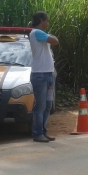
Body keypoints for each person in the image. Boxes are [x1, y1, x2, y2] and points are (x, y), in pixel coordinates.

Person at [29, 11, 59, 143]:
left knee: (47, 105)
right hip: (40, 74)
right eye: (47, 20)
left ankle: (42, 131)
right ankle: (38, 133)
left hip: (47, 74)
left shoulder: (40, 34)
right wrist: (50, 35)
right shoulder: (37, 33)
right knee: (40, 106)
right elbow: (55, 41)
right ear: (41, 20)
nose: (48, 23)